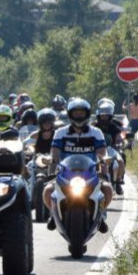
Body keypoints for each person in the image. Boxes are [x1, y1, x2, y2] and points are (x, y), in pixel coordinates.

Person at [43, 98, 113, 233]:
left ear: (87, 114)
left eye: (82, 113)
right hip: (65, 173)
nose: (79, 116)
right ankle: (53, 214)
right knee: (47, 190)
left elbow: (101, 153)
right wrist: (50, 160)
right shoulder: (60, 132)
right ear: (70, 114)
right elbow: (55, 154)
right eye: (76, 113)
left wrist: (104, 159)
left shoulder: (96, 132)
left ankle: (101, 215)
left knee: (108, 189)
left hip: (90, 173)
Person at [94, 101, 126, 195]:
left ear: (110, 116)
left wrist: (120, 141)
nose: (104, 117)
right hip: (96, 149)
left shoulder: (113, 126)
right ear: (99, 115)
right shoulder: (94, 126)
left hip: (110, 148)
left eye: (106, 115)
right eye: (102, 115)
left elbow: (119, 137)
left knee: (120, 161)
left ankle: (118, 181)